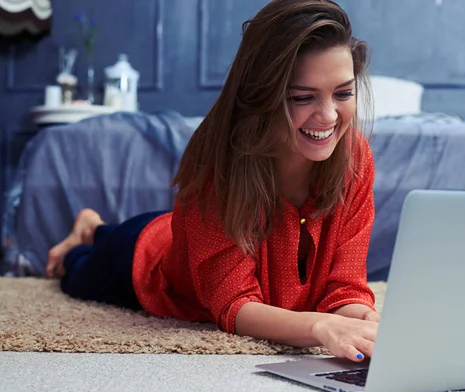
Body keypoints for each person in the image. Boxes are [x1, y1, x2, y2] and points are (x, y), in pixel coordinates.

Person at [46, 0, 379, 363]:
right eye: (303, 97)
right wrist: (319, 327)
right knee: (76, 271)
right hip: (146, 257)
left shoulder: (354, 158)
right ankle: (88, 231)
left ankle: (95, 226)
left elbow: (344, 288)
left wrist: (364, 321)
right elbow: (235, 307)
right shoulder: (219, 163)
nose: (329, 115)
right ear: (262, 96)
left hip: (184, 233)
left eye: (343, 93)